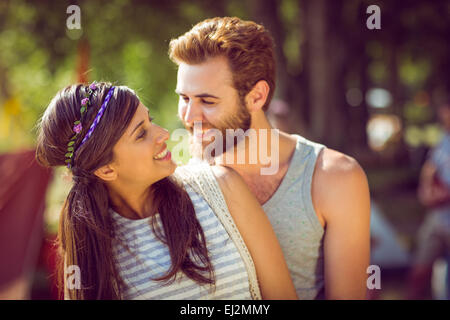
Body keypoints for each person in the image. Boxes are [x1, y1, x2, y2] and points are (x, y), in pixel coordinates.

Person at [35, 82, 297, 300]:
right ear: (106, 170)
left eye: (151, 121)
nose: (162, 134)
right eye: (141, 134)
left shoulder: (222, 187)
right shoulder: (91, 252)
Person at [169, 17, 371, 299]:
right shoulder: (179, 183)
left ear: (257, 96)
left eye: (207, 101)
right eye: (185, 98)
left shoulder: (334, 178)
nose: (190, 118)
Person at [408, 101, 450, 299]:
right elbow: (430, 168)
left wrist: (443, 195)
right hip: (437, 219)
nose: (444, 115)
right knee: (419, 271)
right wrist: (426, 190)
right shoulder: (444, 139)